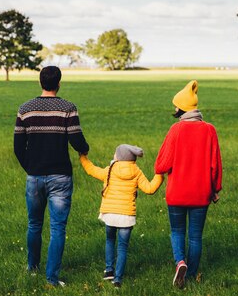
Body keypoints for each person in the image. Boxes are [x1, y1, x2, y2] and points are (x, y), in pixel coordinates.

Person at [13, 66, 90, 287]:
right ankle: (52, 278)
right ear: (59, 83)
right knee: (58, 228)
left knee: (34, 223)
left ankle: (32, 267)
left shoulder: (25, 109)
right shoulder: (68, 108)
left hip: (34, 176)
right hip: (61, 176)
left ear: (40, 82)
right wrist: (85, 149)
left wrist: (30, 167)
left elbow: (18, 147)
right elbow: (77, 140)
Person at [154, 80, 223, 289]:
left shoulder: (176, 130)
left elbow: (162, 165)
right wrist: (215, 189)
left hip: (177, 194)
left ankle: (180, 262)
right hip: (201, 193)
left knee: (176, 231)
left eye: (176, 105)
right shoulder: (209, 130)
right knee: (195, 236)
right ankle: (191, 276)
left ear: (182, 108)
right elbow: (215, 164)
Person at [79, 144, 163, 288]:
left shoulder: (110, 170)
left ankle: (109, 270)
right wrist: (160, 173)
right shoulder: (136, 171)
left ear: (118, 157)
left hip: (110, 214)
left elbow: (92, 170)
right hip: (126, 216)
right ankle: (117, 280)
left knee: (110, 240)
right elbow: (150, 189)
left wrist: (83, 157)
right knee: (122, 247)